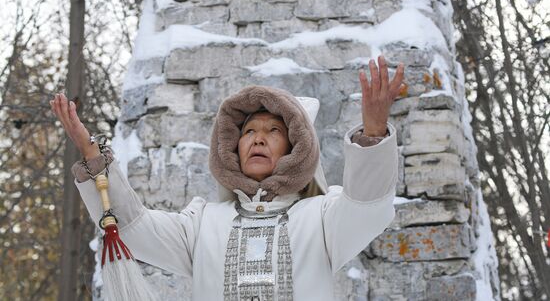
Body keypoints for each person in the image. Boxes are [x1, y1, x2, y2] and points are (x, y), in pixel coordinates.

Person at [50, 56, 405, 301]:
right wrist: (93, 156)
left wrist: (373, 132)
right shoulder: (204, 223)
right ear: (232, 146)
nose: (258, 138)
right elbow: (135, 228)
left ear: (295, 145)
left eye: (273, 130)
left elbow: (367, 206)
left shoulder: (323, 218)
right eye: (249, 130)